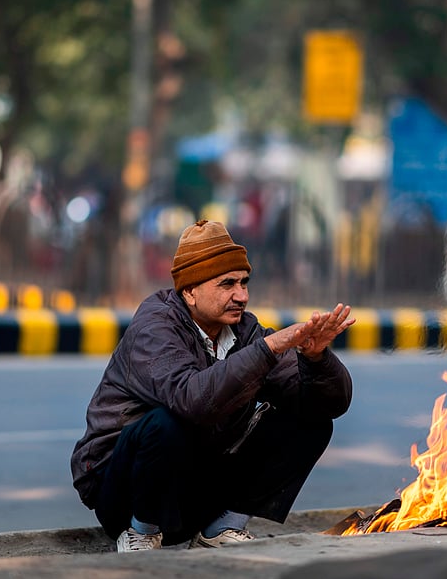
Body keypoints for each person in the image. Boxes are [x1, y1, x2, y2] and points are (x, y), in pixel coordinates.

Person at [71, 220, 355, 552]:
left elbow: (330, 404)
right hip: (123, 495)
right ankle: (142, 534)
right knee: (168, 422)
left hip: (192, 491)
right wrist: (270, 348)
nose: (242, 296)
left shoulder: (245, 331)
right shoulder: (156, 326)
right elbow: (193, 400)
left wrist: (316, 358)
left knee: (312, 423)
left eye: (244, 283)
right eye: (227, 284)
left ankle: (222, 528)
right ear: (189, 291)